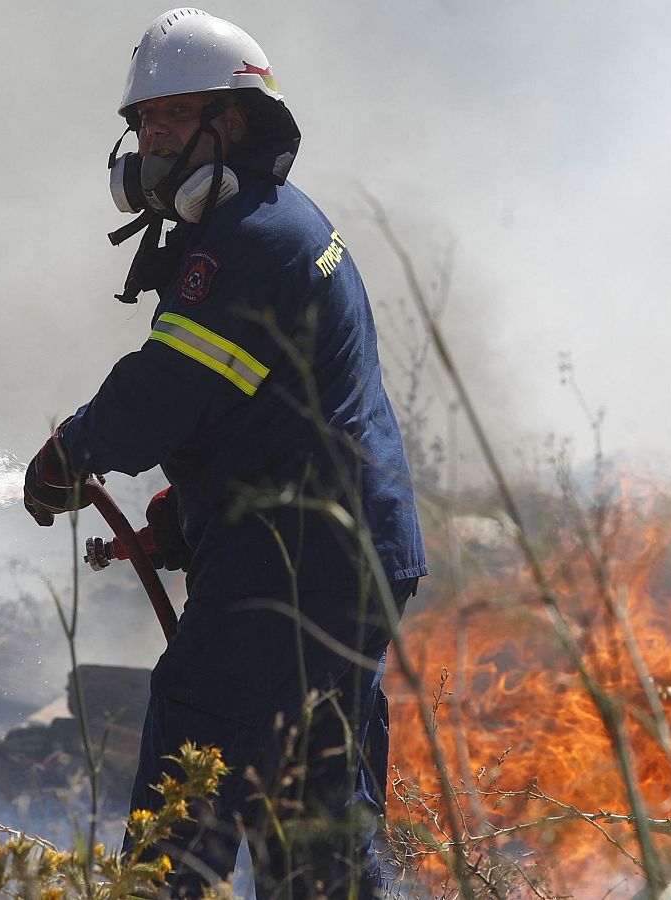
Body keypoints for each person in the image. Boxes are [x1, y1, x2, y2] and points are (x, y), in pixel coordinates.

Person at [23, 9, 426, 897]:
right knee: (315, 818)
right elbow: (265, 407)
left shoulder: (246, 244)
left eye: (174, 119)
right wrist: (185, 516)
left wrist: (69, 453)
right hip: (333, 557)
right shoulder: (277, 222)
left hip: (289, 572)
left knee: (187, 795)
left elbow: (166, 390)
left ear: (232, 124)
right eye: (144, 124)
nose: (154, 141)